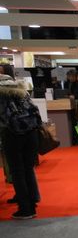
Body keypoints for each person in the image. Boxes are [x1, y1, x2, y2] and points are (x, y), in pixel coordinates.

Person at [0, 73, 42, 219]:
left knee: (17, 171)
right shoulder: (22, 92)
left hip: (13, 135)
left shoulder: (2, 96)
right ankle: (31, 200)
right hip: (31, 133)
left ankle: (26, 208)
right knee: (28, 168)